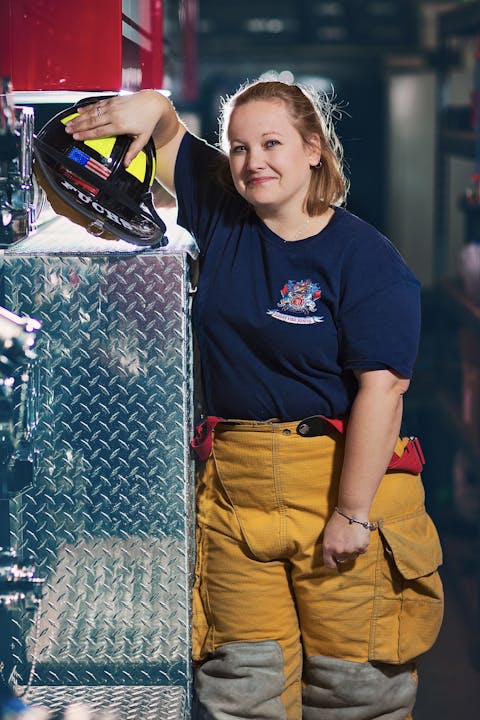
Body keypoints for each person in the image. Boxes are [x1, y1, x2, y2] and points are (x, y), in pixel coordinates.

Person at [64, 80, 444, 720]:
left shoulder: (367, 260)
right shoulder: (223, 214)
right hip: (236, 492)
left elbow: (384, 390)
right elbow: (171, 135)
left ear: (314, 150)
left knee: (352, 691)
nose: (252, 162)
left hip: (339, 478)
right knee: (243, 688)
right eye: (239, 148)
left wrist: (351, 512)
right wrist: (151, 105)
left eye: (272, 144)